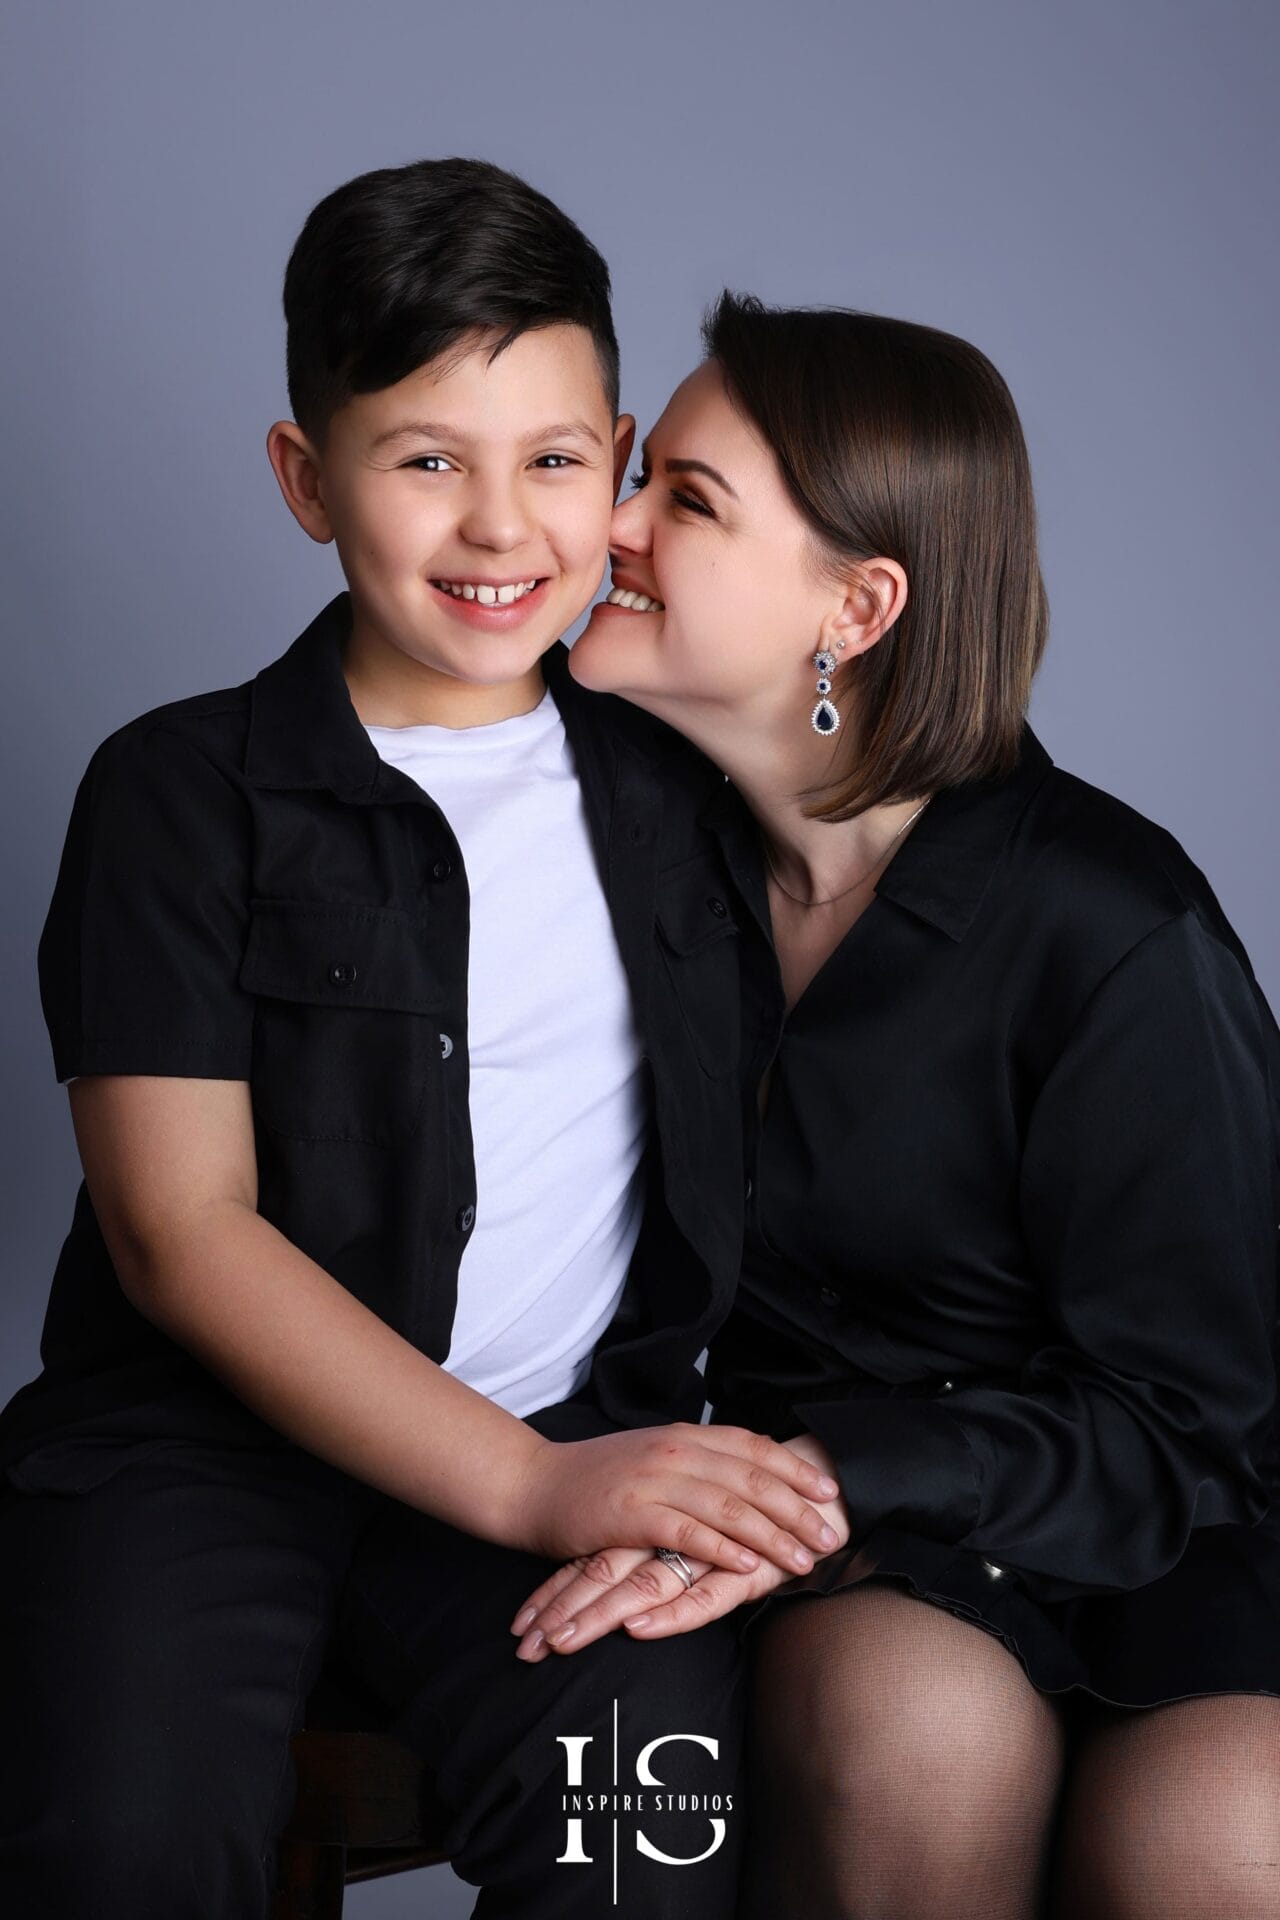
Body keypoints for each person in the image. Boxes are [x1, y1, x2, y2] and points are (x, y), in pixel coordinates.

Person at [0, 174, 845, 1919]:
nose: (496, 527)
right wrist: (525, 1482)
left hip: (573, 1439)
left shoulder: (685, 789)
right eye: (422, 460)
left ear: (617, 461)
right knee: (121, 1848)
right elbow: (182, 1235)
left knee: (647, 1855)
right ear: (308, 479)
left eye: (549, 459)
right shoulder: (181, 791)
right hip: (203, 1458)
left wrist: (588, 1470)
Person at [508, 292, 1280, 1918]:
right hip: (833, 1546)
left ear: (854, 608)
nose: (611, 525)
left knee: (1223, 1840)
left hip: (1151, 1531)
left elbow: (1193, 1422)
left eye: (685, 501)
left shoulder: (1114, 923)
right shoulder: (625, 853)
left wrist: (840, 1473)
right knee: (911, 1734)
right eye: (641, 475)